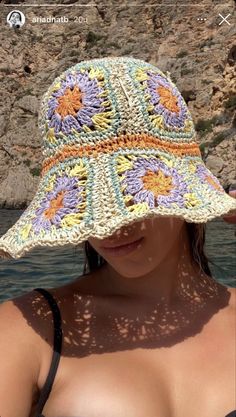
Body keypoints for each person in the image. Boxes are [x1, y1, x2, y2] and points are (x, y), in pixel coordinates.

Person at [0, 56, 235, 417]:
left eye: (134, 190)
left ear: (177, 186)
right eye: (87, 198)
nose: (108, 224)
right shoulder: (24, 331)